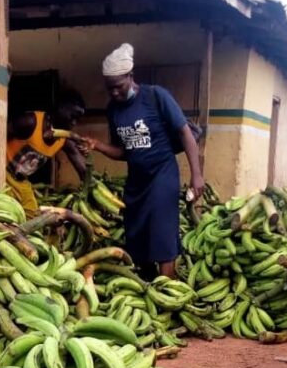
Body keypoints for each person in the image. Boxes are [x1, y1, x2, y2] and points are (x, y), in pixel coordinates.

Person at [82, 43, 205, 279]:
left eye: (118, 86)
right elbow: (123, 151)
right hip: (137, 181)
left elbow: (185, 134)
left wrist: (196, 175)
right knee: (137, 234)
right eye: (110, 89)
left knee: (162, 233)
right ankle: (147, 282)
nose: (115, 93)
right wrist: (97, 146)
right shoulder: (113, 110)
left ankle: (165, 288)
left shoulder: (155, 96)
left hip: (162, 174)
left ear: (130, 76)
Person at [6, 89, 87, 216]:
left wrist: (92, 186)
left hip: (21, 181)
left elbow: (82, 167)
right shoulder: (30, 122)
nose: (74, 122)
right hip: (3, 175)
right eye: (72, 116)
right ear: (60, 108)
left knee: (32, 216)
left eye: (77, 119)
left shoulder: (63, 140)